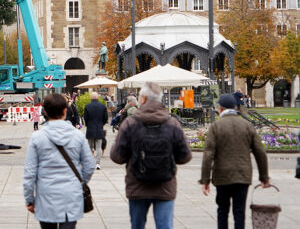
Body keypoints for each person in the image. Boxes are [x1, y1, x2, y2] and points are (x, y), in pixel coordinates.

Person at [110, 82, 192, 229]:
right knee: (164, 226)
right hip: (165, 185)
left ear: (142, 99)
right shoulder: (172, 124)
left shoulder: (130, 123)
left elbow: (117, 157)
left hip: (137, 185)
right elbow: (185, 156)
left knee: (137, 226)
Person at [23, 93, 95, 229]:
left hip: (46, 197)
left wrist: (29, 199)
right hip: (71, 196)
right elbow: (90, 166)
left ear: (45, 112)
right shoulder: (77, 136)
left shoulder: (37, 137)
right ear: (65, 110)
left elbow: (30, 172)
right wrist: (79, 183)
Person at [200, 94, 270, 229]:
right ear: (235, 108)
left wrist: (205, 180)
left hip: (222, 176)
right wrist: (264, 177)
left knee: (222, 210)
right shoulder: (247, 125)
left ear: (220, 109)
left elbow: (208, 154)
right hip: (242, 175)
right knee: (239, 211)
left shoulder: (216, 126)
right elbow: (260, 152)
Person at [83, 92, 108, 170]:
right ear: (97, 97)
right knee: (99, 147)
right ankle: (97, 163)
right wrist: (101, 124)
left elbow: (85, 118)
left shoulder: (87, 106)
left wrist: (88, 125)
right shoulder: (103, 106)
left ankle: (90, 163)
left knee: (89, 147)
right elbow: (105, 118)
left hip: (90, 128)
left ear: (91, 97)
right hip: (99, 128)